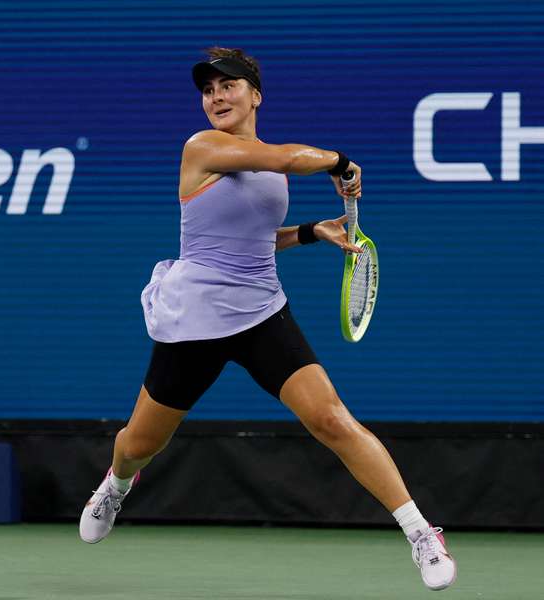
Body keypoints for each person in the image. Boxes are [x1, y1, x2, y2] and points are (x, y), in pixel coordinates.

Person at [78, 47, 456, 592]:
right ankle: (116, 484)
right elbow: (285, 159)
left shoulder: (271, 167)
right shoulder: (203, 147)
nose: (216, 97)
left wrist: (308, 232)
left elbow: (250, 239)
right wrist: (340, 161)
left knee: (331, 420)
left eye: (227, 86)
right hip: (197, 319)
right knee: (138, 444)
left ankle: (421, 532)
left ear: (255, 94)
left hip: (261, 312)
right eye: (208, 90)